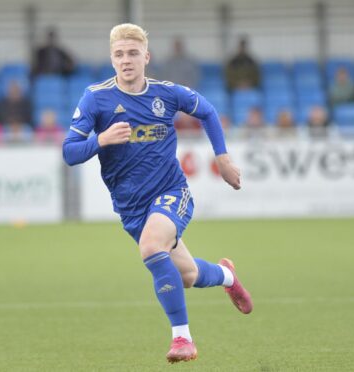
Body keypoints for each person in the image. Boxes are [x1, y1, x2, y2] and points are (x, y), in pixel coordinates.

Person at [62, 23, 253, 364]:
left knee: (151, 246)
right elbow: (70, 152)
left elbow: (207, 111)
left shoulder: (166, 93)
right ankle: (227, 275)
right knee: (189, 275)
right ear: (111, 59)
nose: (126, 60)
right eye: (119, 54)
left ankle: (182, 339)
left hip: (170, 192)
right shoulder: (96, 98)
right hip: (132, 208)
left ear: (146, 57)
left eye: (133, 53)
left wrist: (222, 158)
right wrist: (100, 140)